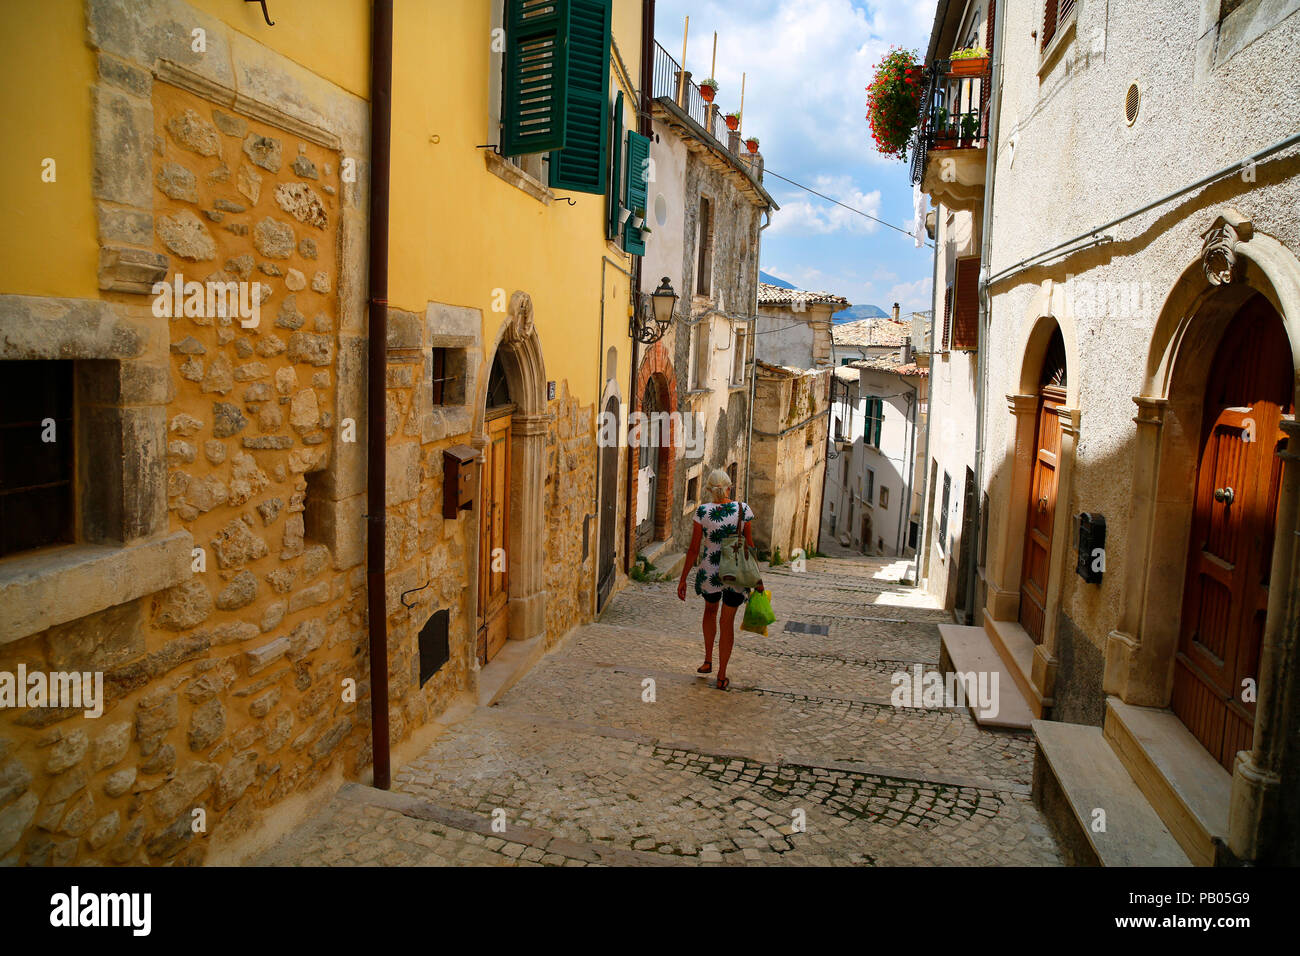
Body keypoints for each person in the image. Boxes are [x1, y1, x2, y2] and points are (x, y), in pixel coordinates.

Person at [677, 468, 761, 691]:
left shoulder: (703, 512)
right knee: (727, 622)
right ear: (729, 487)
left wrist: (683, 578)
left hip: (710, 572)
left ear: (709, 490)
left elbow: (694, 549)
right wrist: (757, 577)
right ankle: (722, 675)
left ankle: (707, 661)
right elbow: (750, 545)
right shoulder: (743, 510)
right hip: (736, 573)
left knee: (710, 613)